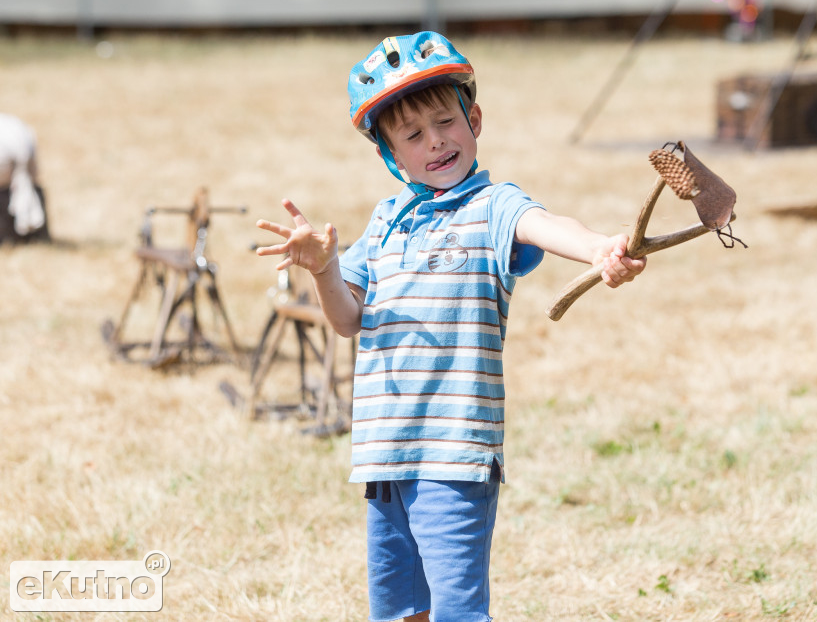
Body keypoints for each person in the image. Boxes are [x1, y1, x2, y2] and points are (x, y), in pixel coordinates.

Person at [256, 31, 646, 622]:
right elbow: (346, 319)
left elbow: (543, 224)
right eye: (413, 135)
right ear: (391, 155)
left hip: (456, 453)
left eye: (445, 122)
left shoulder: (490, 207)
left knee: (457, 612)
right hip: (385, 455)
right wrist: (325, 269)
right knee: (399, 611)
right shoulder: (385, 223)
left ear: (475, 119)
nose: (435, 141)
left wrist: (596, 248)